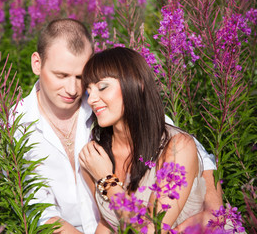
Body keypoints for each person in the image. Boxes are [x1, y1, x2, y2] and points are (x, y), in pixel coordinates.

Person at [14, 18, 221, 234]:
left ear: (135, 84)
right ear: (37, 64)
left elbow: (187, 147)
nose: (75, 90)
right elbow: (41, 212)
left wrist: (214, 212)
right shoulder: (18, 127)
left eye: (80, 78)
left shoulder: (167, 143)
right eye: (61, 75)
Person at [79, 47, 217, 233]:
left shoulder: (177, 147)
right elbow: (109, 223)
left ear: (137, 83)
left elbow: (153, 230)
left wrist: (108, 182)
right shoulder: (96, 157)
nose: (91, 99)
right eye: (88, 91)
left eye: (102, 87)